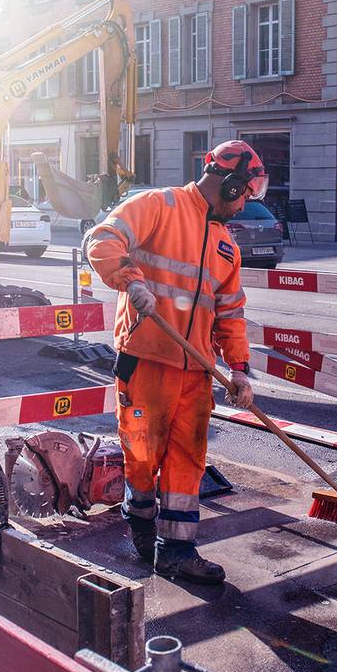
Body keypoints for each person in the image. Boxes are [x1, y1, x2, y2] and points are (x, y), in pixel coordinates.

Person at [83, 140, 268, 584]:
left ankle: (177, 552)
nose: (244, 206)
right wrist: (129, 281)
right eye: (245, 194)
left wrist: (239, 369)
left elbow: (231, 314)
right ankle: (141, 527)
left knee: (189, 459)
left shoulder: (226, 247)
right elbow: (102, 239)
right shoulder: (157, 205)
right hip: (145, 360)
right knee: (143, 454)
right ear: (228, 184)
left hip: (196, 370)